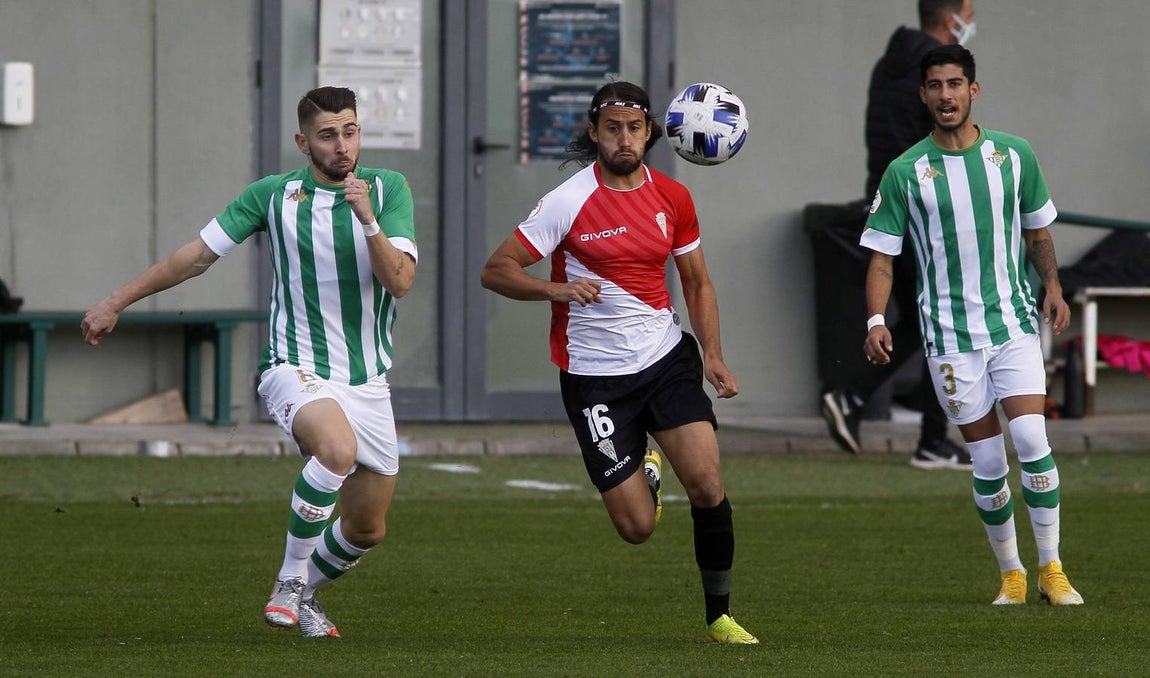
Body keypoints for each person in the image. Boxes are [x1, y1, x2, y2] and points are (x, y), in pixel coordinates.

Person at [81, 86, 419, 636]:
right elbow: (194, 257)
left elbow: (399, 282)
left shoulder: (388, 190)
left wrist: (368, 220)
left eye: (350, 132)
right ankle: (289, 580)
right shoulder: (272, 195)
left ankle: (306, 594)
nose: (341, 146)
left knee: (366, 528)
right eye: (328, 135)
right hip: (293, 364)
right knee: (335, 450)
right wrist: (115, 301)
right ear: (303, 142)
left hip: (367, 379)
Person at [480, 81, 758, 644]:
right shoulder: (568, 200)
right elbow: (497, 269)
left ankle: (719, 616)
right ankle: (647, 470)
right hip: (594, 379)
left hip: (664, 358)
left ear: (651, 132)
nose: (624, 139)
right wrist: (555, 292)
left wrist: (713, 355)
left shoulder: (673, 198)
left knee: (706, 483)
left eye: (634, 128)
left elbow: (697, 282)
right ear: (594, 133)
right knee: (636, 528)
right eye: (612, 129)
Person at [862, 45, 1084, 606]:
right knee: (987, 459)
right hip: (949, 340)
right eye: (935, 86)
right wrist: (875, 319)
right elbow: (883, 257)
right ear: (923, 95)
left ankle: (1052, 567)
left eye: (955, 84)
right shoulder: (905, 171)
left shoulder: (1014, 155)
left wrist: (1053, 287)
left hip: (1011, 324)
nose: (946, 95)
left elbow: (1038, 234)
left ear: (973, 90)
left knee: (1032, 436)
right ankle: (1011, 573)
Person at [820, 0, 976, 469]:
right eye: (969, 12)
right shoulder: (933, 71)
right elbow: (939, 142)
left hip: (887, 200)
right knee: (940, 319)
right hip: (924, 207)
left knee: (922, 320)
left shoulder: (888, 64)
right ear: (952, 18)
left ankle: (853, 397)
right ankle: (930, 439)